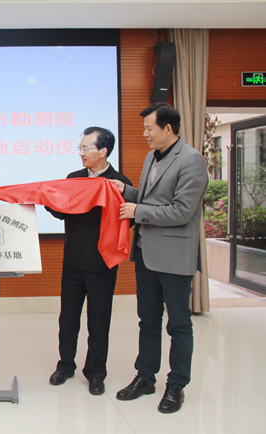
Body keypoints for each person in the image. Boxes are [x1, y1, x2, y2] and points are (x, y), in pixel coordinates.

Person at [111, 103, 208, 413]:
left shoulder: (192, 160)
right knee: (148, 321)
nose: (145, 134)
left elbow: (182, 211)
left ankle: (176, 385)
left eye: (149, 128)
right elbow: (152, 198)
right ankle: (145, 377)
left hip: (175, 255)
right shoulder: (151, 157)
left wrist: (137, 211)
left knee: (178, 325)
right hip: (146, 253)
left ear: (168, 128)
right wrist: (127, 190)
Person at [46, 127, 132, 396]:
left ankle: (95, 373)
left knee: (98, 322)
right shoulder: (74, 178)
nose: (81, 153)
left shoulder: (119, 183)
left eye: (86, 148)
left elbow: (126, 222)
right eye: (80, 148)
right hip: (73, 261)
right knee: (68, 319)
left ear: (103, 151)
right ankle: (65, 365)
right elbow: (62, 213)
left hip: (102, 265)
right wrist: (49, 198)